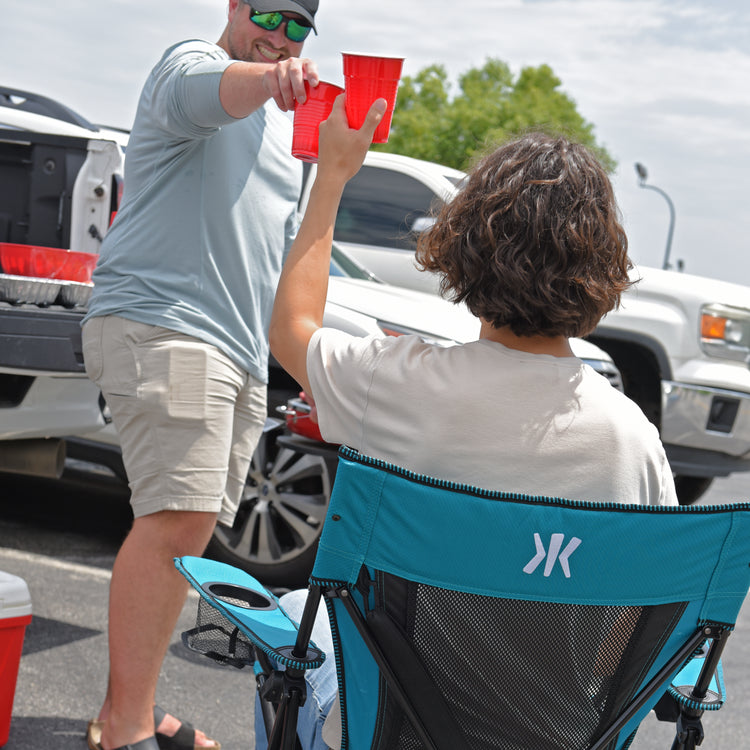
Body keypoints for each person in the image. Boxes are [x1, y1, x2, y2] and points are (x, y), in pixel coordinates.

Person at [266, 98, 678, 749]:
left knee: (289, 625)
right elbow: (620, 651)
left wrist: (334, 175)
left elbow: (291, 330)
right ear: (599, 269)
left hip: (399, 734)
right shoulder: (636, 445)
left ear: (467, 248)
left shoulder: (402, 383)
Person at [80, 2, 320, 749]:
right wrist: (272, 75)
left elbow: (275, 267)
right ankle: (123, 730)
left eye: (298, 27)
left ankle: (133, 708)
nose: (280, 35)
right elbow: (209, 92)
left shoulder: (285, 136)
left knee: (184, 533)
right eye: (270, 15)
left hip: (238, 353)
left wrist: (306, 364)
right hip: (168, 325)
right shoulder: (191, 64)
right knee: (176, 521)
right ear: (236, 7)